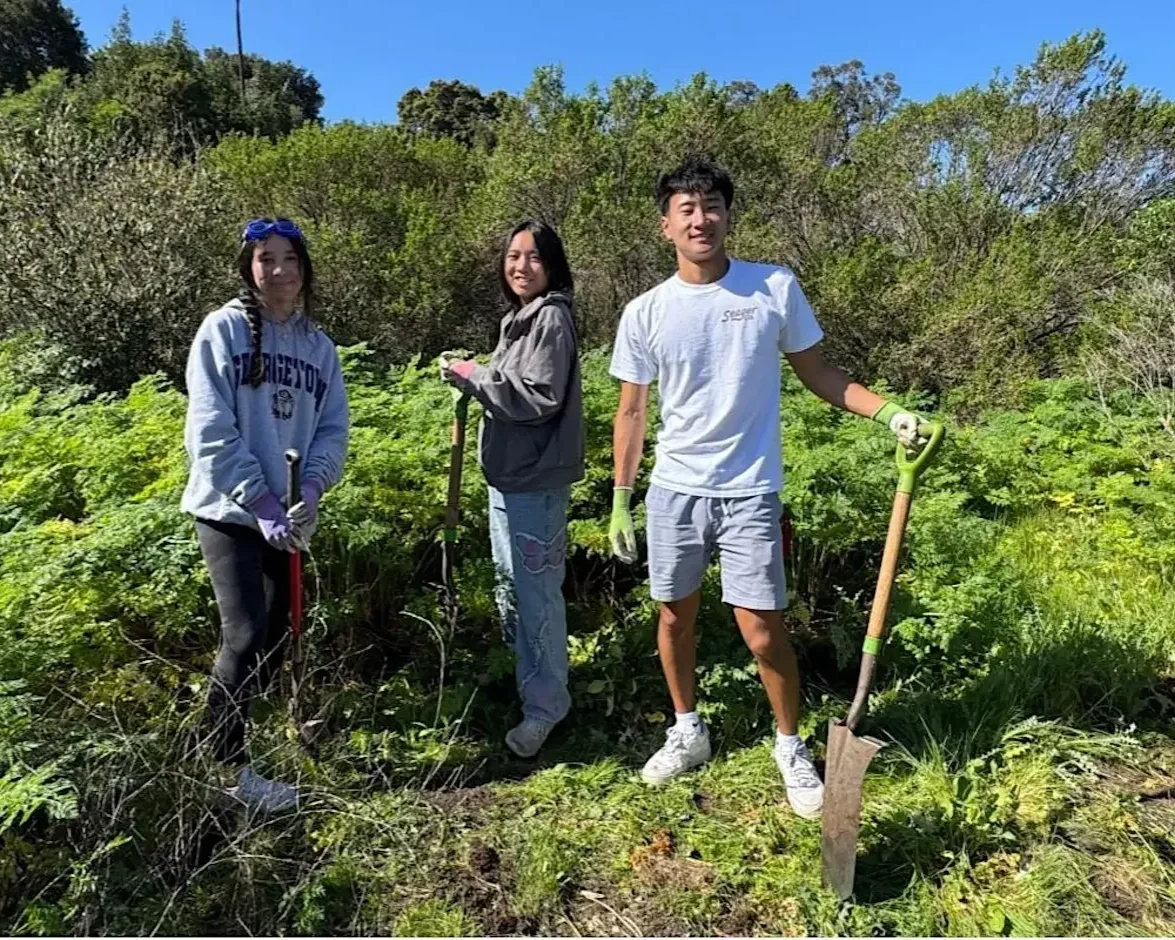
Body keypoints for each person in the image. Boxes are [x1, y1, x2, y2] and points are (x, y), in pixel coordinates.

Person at [607, 157, 927, 819]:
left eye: (711, 205)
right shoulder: (645, 311)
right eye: (686, 208)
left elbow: (820, 373)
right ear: (664, 224)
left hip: (751, 490)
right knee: (673, 615)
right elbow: (632, 410)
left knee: (761, 629)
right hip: (673, 491)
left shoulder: (772, 289)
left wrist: (888, 411)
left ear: (727, 215)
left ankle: (789, 745)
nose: (701, 218)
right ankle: (686, 729)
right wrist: (620, 495)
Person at [182, 217, 349, 813]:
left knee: (276, 633)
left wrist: (312, 484)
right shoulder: (223, 330)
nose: (278, 270)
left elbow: (333, 429)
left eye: (289, 259)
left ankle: (246, 738)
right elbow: (208, 429)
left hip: (291, 511)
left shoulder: (318, 347)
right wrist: (260, 498)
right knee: (247, 631)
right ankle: (224, 772)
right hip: (230, 509)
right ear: (248, 268)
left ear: (304, 270)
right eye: (264, 259)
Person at [440, 219, 584, 759]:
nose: (520, 266)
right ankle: (529, 685)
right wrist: (471, 378)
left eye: (534, 258)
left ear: (552, 266)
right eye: (513, 256)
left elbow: (538, 397)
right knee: (513, 588)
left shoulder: (550, 319)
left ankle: (548, 707)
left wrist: (475, 376)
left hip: (535, 483)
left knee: (536, 596)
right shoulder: (517, 319)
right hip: (509, 478)